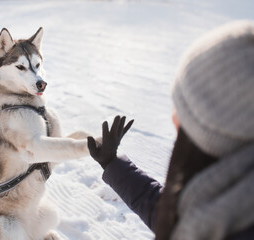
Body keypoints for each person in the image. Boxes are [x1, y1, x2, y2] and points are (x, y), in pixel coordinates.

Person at [87, 21, 254, 240]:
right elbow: (173, 217)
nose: (173, 117)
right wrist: (112, 164)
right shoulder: (225, 203)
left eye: (185, 109)